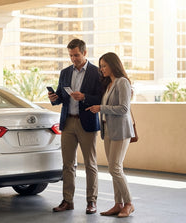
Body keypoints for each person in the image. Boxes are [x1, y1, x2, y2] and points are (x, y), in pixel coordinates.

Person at [49, 39, 102, 214]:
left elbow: (102, 98)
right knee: (68, 164)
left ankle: (91, 201)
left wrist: (85, 97)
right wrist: (54, 98)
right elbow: (61, 97)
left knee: (90, 164)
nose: (73, 59)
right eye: (71, 55)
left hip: (86, 122)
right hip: (68, 122)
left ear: (85, 53)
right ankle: (67, 200)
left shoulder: (96, 72)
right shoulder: (64, 72)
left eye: (77, 55)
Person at [86, 52, 135, 218]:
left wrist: (101, 108)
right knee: (113, 169)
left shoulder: (122, 83)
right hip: (108, 130)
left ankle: (128, 203)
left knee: (115, 168)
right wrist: (99, 108)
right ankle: (118, 204)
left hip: (121, 131)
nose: (101, 69)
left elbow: (124, 109)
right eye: (100, 66)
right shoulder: (108, 84)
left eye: (104, 65)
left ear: (114, 65)